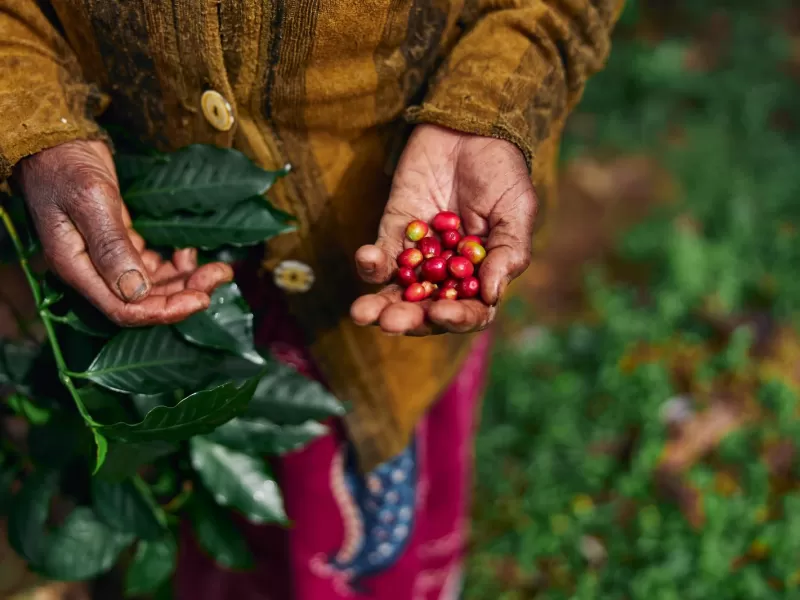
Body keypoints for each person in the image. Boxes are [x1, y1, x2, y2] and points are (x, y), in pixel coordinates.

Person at [0, 1, 623, 598]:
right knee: (220, 491)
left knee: (379, 451)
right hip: (163, 244)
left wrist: (488, 105)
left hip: (369, 288)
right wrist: (33, 124)